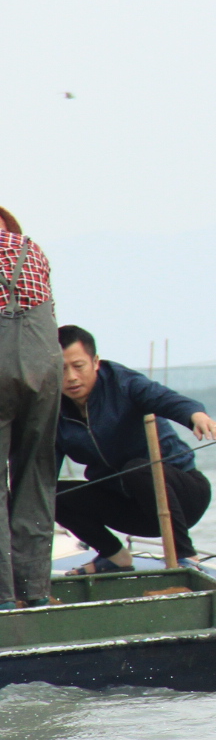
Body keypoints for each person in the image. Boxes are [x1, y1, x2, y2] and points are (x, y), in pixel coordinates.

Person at [54, 325, 216, 574]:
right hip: (130, 509)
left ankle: (186, 556)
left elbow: (165, 398)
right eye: (61, 369)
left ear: (95, 362)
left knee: (137, 469)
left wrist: (197, 416)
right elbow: (42, 471)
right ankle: (115, 557)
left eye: (78, 366)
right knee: (49, 495)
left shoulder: (123, 383)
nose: (71, 377)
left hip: (183, 496)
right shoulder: (50, 409)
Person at [0, 206, 61, 609]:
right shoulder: (32, 249)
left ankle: (3, 597)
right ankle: (35, 590)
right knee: (36, 476)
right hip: (45, 366)